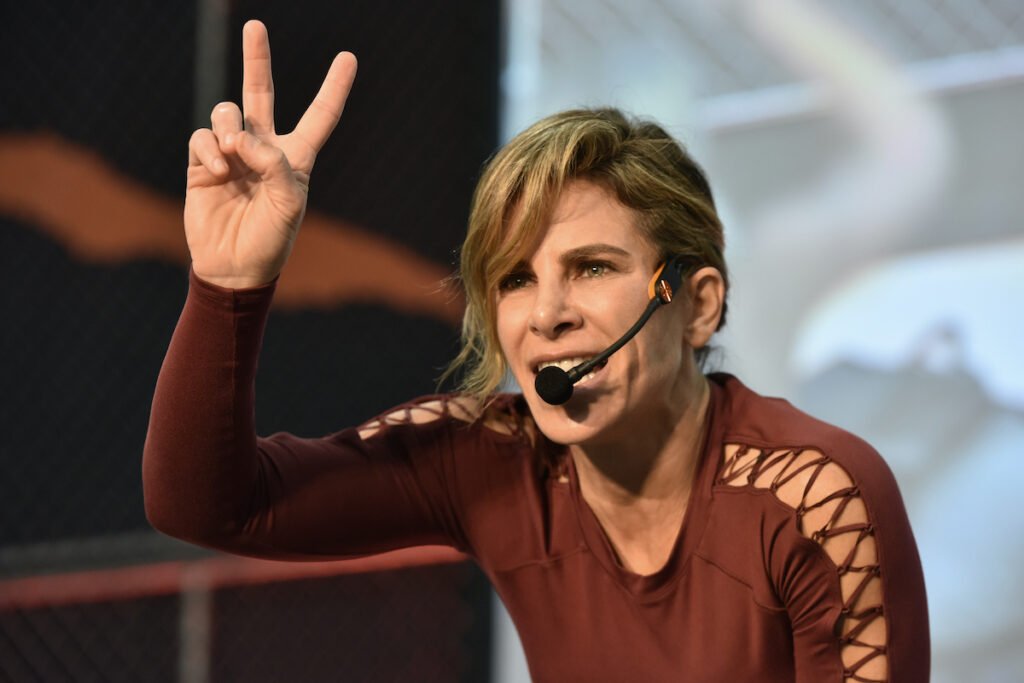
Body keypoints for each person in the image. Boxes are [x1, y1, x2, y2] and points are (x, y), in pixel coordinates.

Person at [144, 20, 929, 682]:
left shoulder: (820, 499)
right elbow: (206, 504)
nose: (547, 313)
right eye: (516, 278)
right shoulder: (491, 458)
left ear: (699, 305)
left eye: (591, 267)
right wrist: (227, 284)